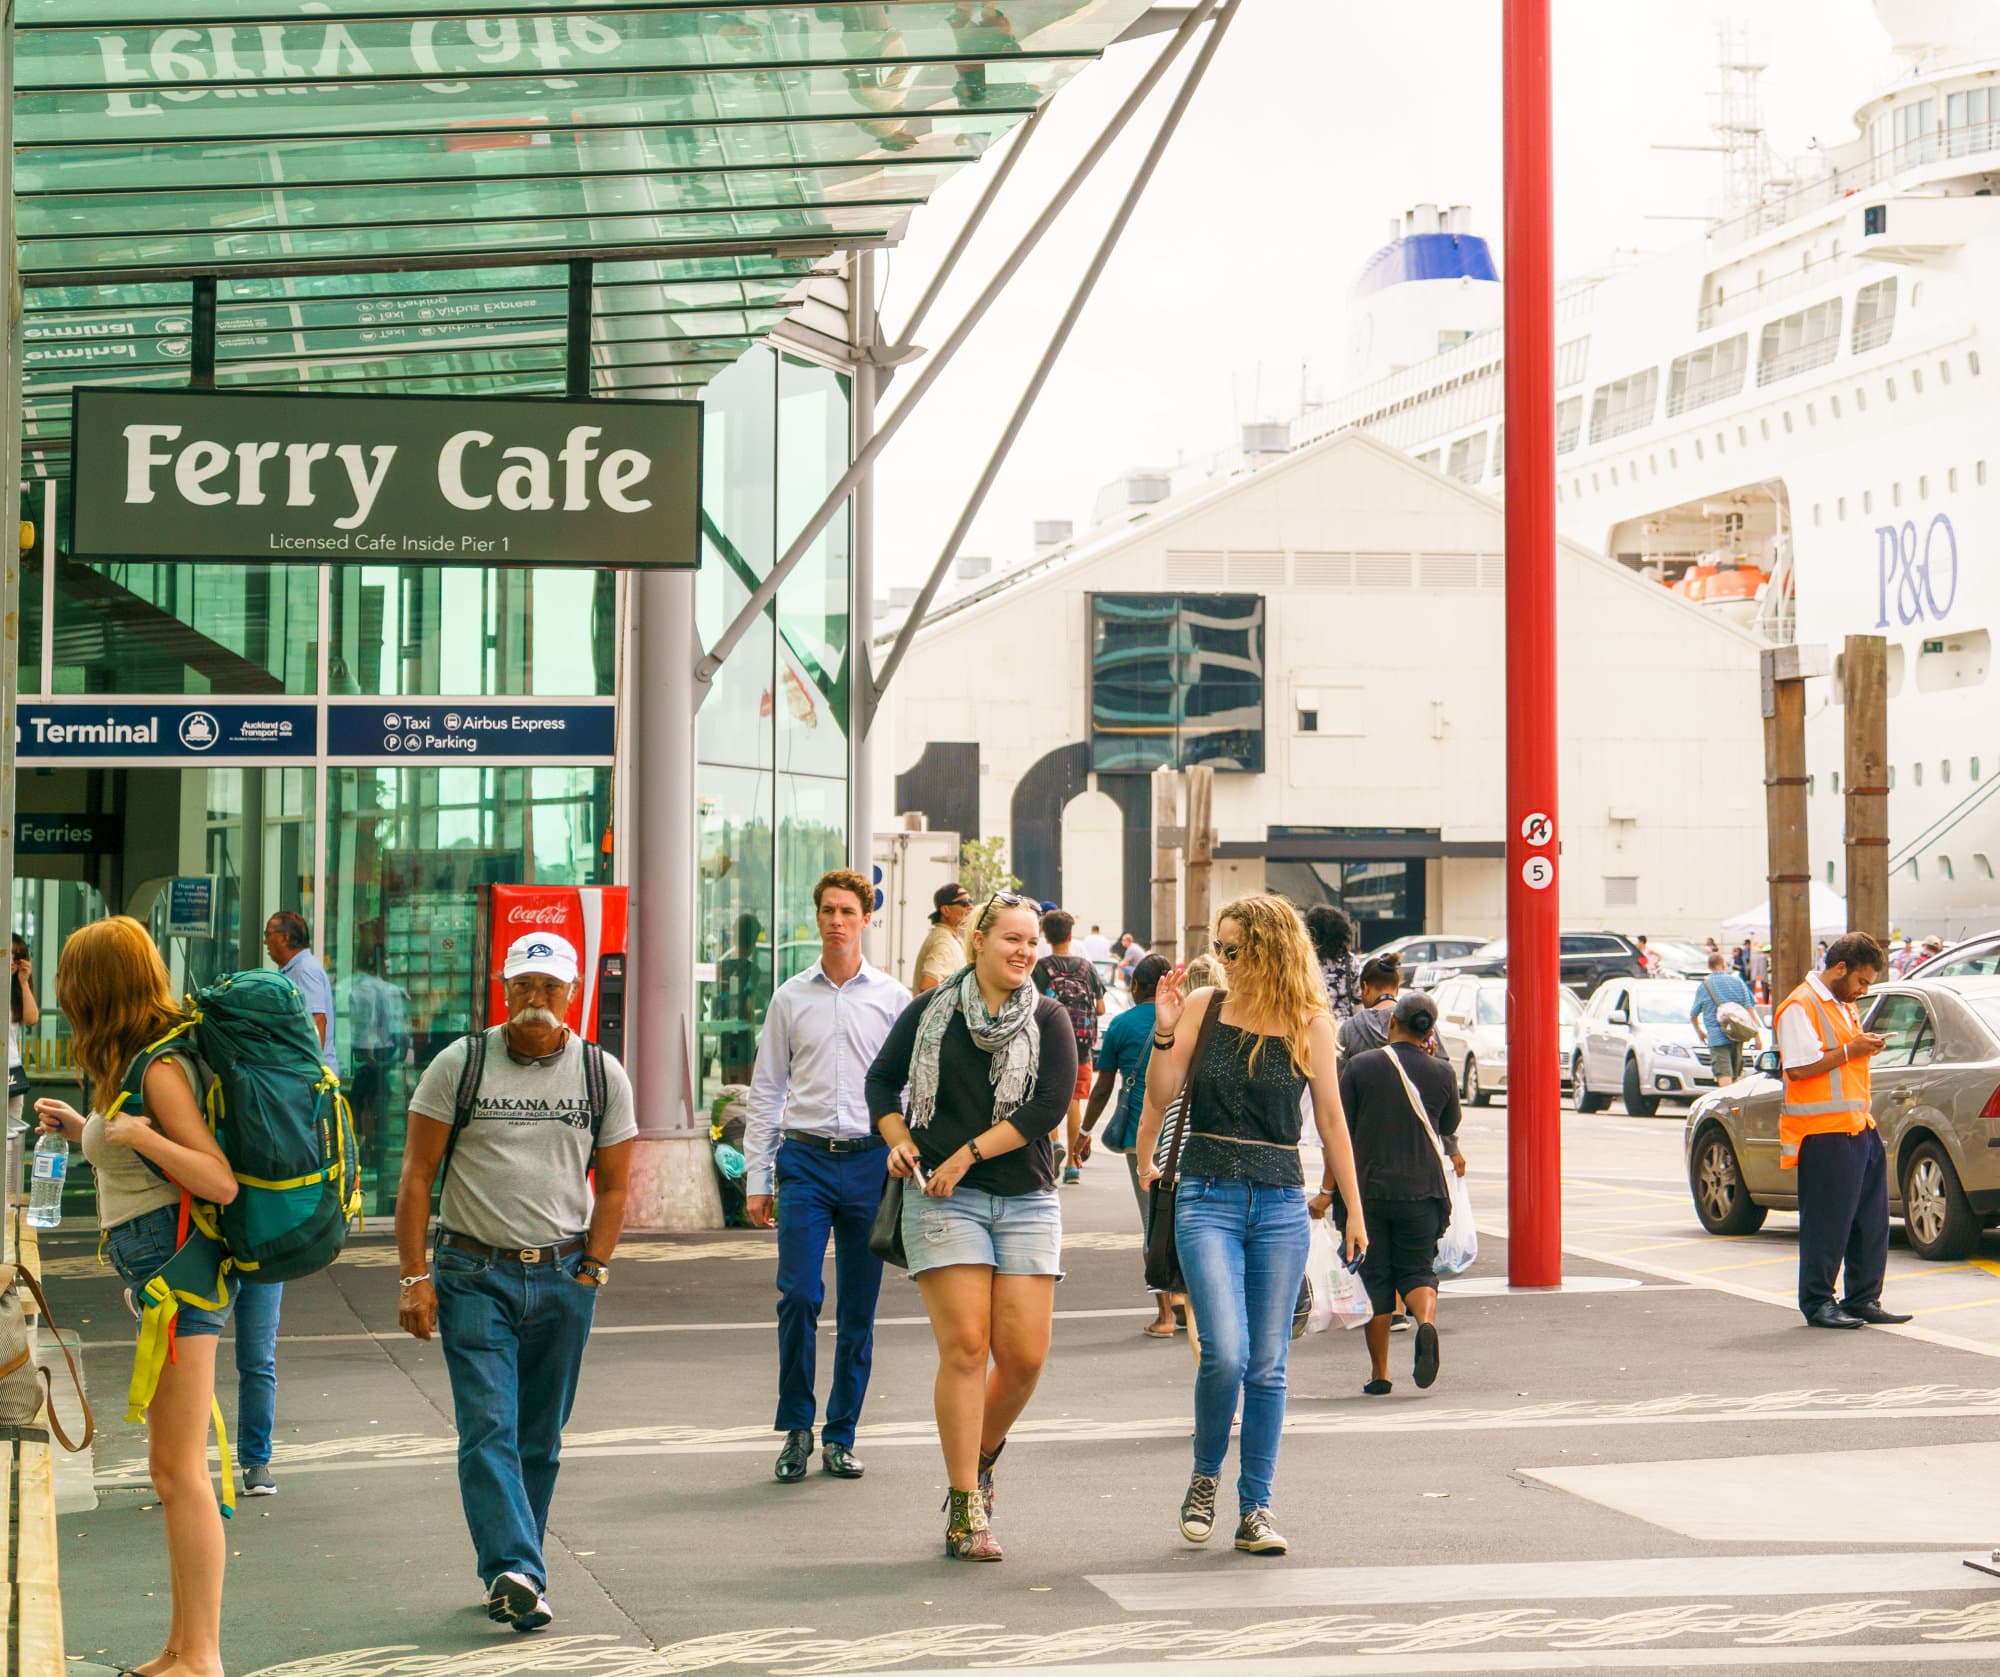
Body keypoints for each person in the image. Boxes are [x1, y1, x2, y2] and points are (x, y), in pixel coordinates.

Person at [394, 932, 637, 1632]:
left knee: (540, 1436)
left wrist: (594, 1265)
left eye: (550, 988)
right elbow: (415, 1176)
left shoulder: (600, 1074)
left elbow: (617, 1183)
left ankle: (517, 1568)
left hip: (563, 1275)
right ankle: (513, 1566)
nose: (537, 999)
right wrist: (415, 1276)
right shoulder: (460, 1063)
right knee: (488, 1425)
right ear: (504, 990)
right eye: (524, 986)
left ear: (573, 993)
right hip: (473, 1272)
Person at [35, 916, 241, 1677]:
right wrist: (87, 1125)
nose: (61, 994)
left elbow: (215, 1177)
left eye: (70, 980)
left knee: (180, 1471)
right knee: (169, 1468)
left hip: (179, 1277)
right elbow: (130, 1143)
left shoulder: (159, 1068)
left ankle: (203, 1655)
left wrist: (138, 1136)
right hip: (162, 1276)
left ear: (94, 989)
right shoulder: (137, 1062)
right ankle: (181, 1647)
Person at [1138, 895, 1368, 1559]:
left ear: (1269, 948)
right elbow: (1161, 1093)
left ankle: (1256, 1506)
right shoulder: (1206, 1005)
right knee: (1227, 1352)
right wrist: (1163, 1030)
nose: (1225, 960)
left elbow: (1331, 1122)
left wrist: (1352, 1208)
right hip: (1205, 1194)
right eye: (1220, 947)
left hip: (1278, 1202)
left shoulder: (1310, 1022)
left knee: (1268, 1366)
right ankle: (1205, 1474)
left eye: (1235, 949)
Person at [865, 892, 1074, 1562]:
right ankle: (964, 1505)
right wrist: (898, 1138)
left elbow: (1047, 1105)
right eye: (1011, 938)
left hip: (1024, 1198)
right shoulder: (929, 1012)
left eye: (1032, 942)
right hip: (942, 1199)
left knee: (1024, 1357)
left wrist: (967, 1152)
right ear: (978, 940)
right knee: (965, 1345)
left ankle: (981, 1457)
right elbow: (881, 1084)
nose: (1023, 951)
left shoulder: (1048, 1016)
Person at [743, 870, 911, 1483]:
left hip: (872, 1162)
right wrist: (756, 1178)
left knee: (859, 1310)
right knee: (798, 1296)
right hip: (806, 1161)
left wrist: (906, 1154)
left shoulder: (892, 999)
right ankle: (795, 1429)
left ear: (867, 919)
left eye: (848, 911)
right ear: (816, 917)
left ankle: (842, 1434)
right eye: (827, 910)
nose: (837, 920)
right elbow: (767, 1091)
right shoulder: (790, 998)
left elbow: (909, 1088)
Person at [236, 912, 338, 1500]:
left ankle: (238, 1462)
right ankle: (256, 1465)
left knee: (198, 1352)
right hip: (268, 1235)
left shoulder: (240, 1078)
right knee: (259, 1355)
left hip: (224, 1231)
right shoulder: (292, 1090)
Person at [1326, 991, 1463, 1396]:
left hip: (1369, 1193)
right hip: (1422, 1189)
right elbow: (1450, 1122)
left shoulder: (1361, 1066)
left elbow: (1339, 1131)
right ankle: (1426, 1324)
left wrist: (1326, 1191)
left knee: (1376, 1279)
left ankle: (1380, 1374)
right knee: (1419, 1269)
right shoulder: (1442, 1073)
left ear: (1392, 1023)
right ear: (1430, 1032)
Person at [1774, 931, 1908, 1331]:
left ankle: (1864, 1298)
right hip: (1823, 1132)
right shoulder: (1800, 1004)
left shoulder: (1840, 1003)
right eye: (1861, 981)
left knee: (1871, 1221)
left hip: (1858, 1126)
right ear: (1840, 968)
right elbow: (1798, 1067)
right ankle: (1818, 1302)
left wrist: (1860, 1045)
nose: (1863, 990)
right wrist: (1852, 1050)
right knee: (1827, 1223)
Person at [1078, 953, 1177, 1337]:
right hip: (1184, 1135)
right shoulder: (1186, 1016)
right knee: (1183, 1218)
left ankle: (1166, 1313)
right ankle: (1184, 1302)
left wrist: (1084, 1132)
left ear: (1136, 987)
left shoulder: (1121, 1025)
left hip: (1143, 1139)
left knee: (1153, 1223)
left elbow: (1102, 1088)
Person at [1033, 910, 1105, 1186]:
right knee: (1073, 1101)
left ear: (1046, 936)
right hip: (1082, 1046)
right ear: (1070, 935)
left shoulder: (1041, 967)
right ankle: (1075, 1164)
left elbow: (1034, 1005)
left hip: (1049, 1042)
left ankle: (1053, 1146)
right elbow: (1100, 1007)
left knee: (1050, 1095)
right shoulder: (1087, 969)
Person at [1689, 951, 1759, 1086]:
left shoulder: (1704, 986)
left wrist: (1700, 1032)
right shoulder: (1738, 982)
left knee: (1723, 1073)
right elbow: (1749, 1009)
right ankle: (1733, 1103)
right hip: (1738, 1033)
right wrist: (1757, 1036)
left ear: (1709, 967)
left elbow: (1693, 1015)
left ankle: (1728, 1104)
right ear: (1723, 964)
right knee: (1735, 1074)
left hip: (1716, 1037)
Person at [715, 913, 767, 1084]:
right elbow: (748, 1007)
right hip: (743, 1037)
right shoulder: (753, 971)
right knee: (744, 1085)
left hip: (726, 1035)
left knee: (728, 1083)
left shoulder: (723, 967)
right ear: (753, 941)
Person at [1337, 955, 1404, 1058]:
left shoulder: (1349, 1028)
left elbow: (1339, 1070)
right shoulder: (1414, 1022)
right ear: (1397, 988)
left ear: (1365, 987)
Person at [1304, 904, 1362, 1022]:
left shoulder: (1304, 960)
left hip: (1311, 1025)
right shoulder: (1350, 961)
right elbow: (1358, 998)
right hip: (1343, 1028)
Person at [914, 883, 973, 995]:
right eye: (964, 903)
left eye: (971, 901)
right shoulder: (943, 942)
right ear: (945, 910)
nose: (971, 907)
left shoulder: (952, 938)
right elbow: (927, 987)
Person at [11, 932, 38, 1126]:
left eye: (16, 956)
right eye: (7, 954)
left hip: (10, 1069)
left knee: (10, 1131)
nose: (11, 961)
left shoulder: (16, 992)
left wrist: (23, 982)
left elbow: (31, 1018)